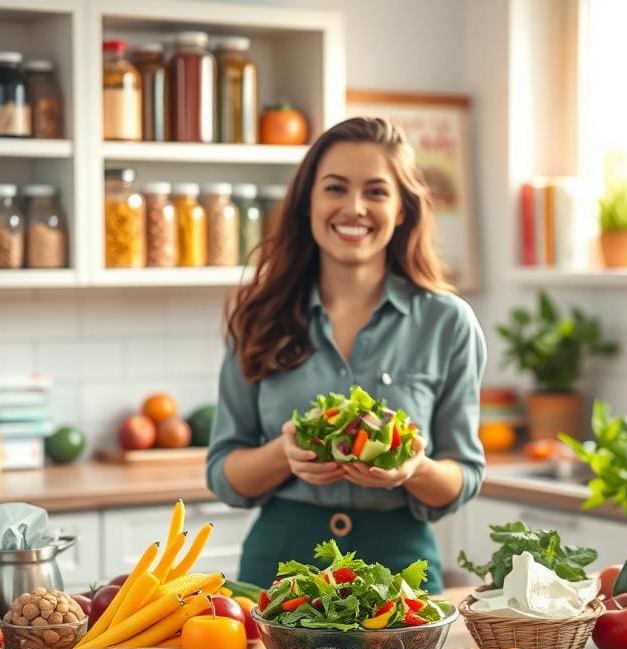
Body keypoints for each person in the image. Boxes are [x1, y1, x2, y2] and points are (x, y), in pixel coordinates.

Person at [206, 116, 486, 594]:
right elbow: (223, 472)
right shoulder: (259, 315)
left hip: (401, 579)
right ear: (308, 203)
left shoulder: (448, 322)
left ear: (401, 210)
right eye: (335, 189)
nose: (354, 208)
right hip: (278, 575)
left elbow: (464, 475)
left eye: (376, 192)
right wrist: (284, 454)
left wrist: (414, 468)